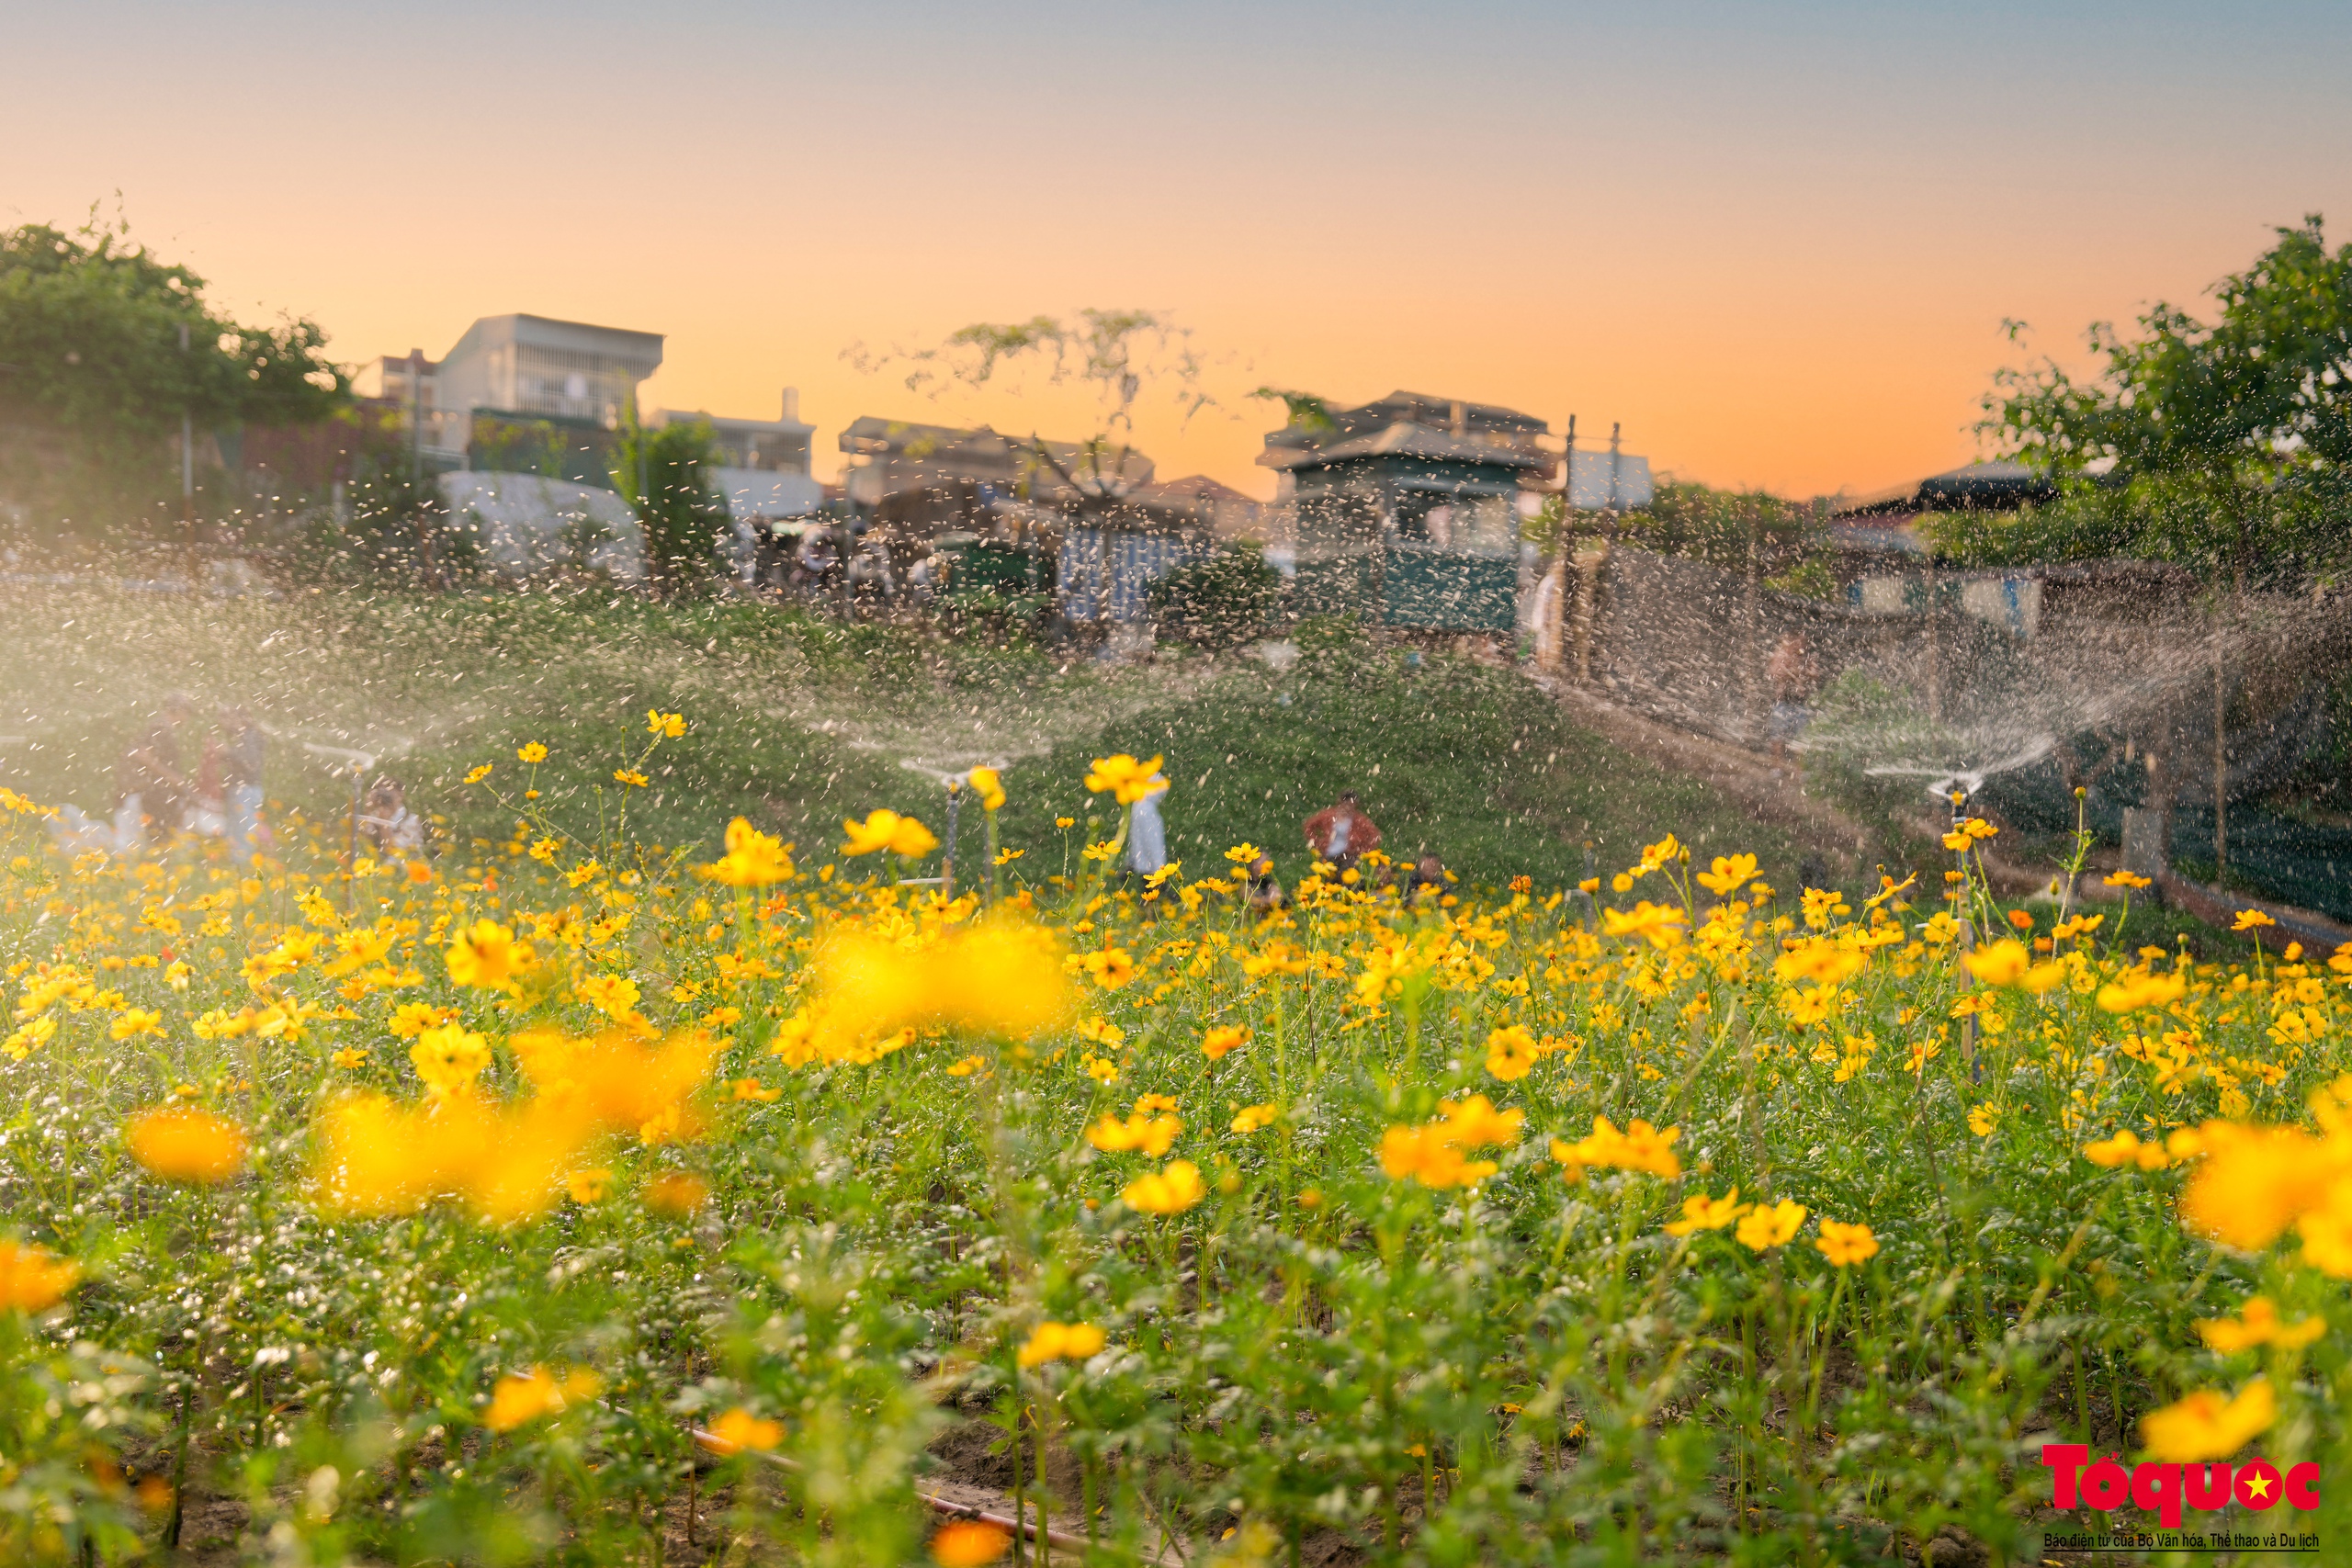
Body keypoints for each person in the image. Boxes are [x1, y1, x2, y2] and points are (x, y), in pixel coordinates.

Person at [111, 694, 196, 851]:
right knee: (156, 841)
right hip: (152, 795)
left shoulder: (155, 728)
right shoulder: (161, 730)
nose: (187, 719)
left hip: (144, 794)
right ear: (180, 711)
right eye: (187, 713)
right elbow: (149, 761)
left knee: (148, 841)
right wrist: (179, 782)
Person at [218, 705, 267, 864]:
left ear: (237, 719)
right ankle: (235, 865)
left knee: (243, 830)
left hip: (245, 790)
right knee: (236, 829)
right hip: (242, 789)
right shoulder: (244, 736)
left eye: (224, 717)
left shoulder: (249, 736)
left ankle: (242, 866)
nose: (221, 722)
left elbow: (251, 763)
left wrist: (227, 752)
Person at [1767, 632, 1818, 762]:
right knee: (1778, 737)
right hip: (1783, 701)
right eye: (1799, 641)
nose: (1802, 645)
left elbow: (1815, 674)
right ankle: (1777, 766)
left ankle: (1797, 771)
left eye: (1804, 641)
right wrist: (1791, 670)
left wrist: (1802, 671)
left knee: (1801, 739)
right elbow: (1774, 672)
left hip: (1800, 703)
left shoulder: (1806, 658)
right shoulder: (1782, 655)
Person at [1303, 790, 1381, 875]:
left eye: (1352, 805)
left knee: (1348, 880)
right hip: (1328, 854)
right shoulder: (1328, 815)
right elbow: (1309, 826)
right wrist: (1317, 841)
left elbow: (1375, 836)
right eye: (1347, 804)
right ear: (1341, 802)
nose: (1348, 807)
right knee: (1326, 879)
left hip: (1349, 856)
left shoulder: (1359, 819)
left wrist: (1363, 851)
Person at [358, 776, 425, 859]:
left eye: (389, 792)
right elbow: (361, 843)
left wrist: (384, 823)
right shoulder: (373, 817)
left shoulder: (410, 820)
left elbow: (395, 853)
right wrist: (368, 809)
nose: (385, 797)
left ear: (401, 794)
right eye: (381, 792)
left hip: (402, 866)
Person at [1125, 769, 1170, 878]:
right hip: (1151, 868)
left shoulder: (1139, 804)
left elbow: (1135, 836)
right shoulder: (1148, 810)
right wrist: (1159, 867)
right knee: (1149, 889)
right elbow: (1153, 840)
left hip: (1142, 861)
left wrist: (1132, 860)